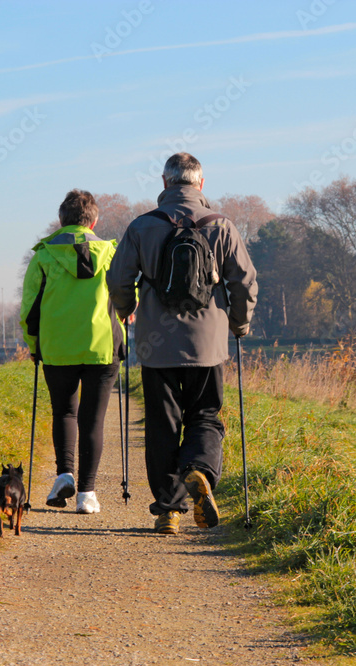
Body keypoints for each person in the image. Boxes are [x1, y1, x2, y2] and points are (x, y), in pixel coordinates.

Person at [107, 153, 257, 535]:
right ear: (201, 184)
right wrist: (239, 324)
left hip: (156, 346)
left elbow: (119, 279)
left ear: (164, 183)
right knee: (205, 415)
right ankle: (199, 469)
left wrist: (126, 309)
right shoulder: (222, 226)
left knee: (162, 424)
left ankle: (168, 511)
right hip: (207, 345)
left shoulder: (142, 227)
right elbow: (243, 282)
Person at [20, 189, 124, 514]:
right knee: (93, 420)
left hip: (57, 348)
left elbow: (29, 310)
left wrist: (34, 346)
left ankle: (64, 474)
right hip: (102, 348)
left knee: (64, 412)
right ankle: (87, 495)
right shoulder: (111, 254)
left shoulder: (43, 256)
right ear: (94, 221)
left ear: (61, 220)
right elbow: (127, 298)